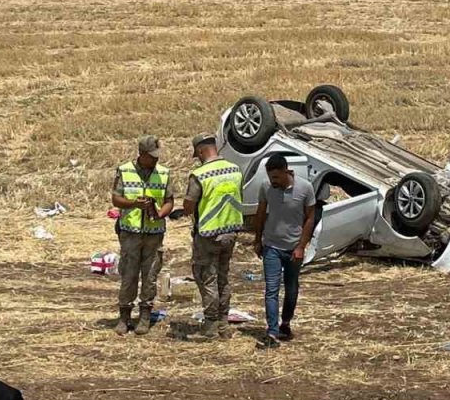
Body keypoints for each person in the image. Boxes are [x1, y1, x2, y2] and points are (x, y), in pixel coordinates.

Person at [109, 135, 175, 336]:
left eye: (157, 157)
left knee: (150, 275)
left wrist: (160, 213)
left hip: (154, 234)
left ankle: (145, 316)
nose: (155, 160)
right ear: (142, 155)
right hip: (130, 232)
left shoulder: (164, 173)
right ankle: (124, 316)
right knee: (129, 275)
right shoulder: (125, 170)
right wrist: (135, 204)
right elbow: (116, 199)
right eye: (151, 157)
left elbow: (169, 201)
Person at [181, 134, 245, 340]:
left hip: (208, 234)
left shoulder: (200, 175)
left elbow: (189, 205)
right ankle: (224, 324)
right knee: (223, 278)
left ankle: (210, 326)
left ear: (200, 152)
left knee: (206, 278)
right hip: (231, 231)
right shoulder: (235, 170)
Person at [252, 154, 318, 349]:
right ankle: (272, 331)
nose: (273, 181)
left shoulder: (305, 188)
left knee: (291, 288)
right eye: (270, 177)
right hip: (271, 246)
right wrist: (257, 239)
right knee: (271, 290)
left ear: (285, 171)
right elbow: (261, 213)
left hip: (293, 249)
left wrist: (301, 246)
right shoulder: (266, 187)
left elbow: (310, 219)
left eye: (276, 177)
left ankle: (286, 322)